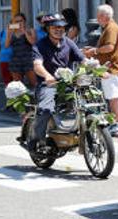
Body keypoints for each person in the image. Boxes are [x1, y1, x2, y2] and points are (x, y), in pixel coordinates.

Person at [29, 14, 86, 150]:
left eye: (61, 27)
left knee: (90, 104)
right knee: (46, 110)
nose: (59, 30)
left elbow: (83, 60)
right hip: (49, 85)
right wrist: (47, 76)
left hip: (69, 84)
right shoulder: (40, 45)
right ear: (48, 28)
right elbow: (37, 65)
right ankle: (36, 139)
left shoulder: (68, 42)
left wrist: (99, 69)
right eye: (55, 27)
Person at [84, 5, 118, 136]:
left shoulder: (111, 28)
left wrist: (95, 51)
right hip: (110, 68)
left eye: (99, 16)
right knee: (112, 97)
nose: (97, 19)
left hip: (113, 68)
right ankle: (115, 121)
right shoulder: (109, 28)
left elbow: (109, 47)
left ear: (105, 16)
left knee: (115, 97)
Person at [6, 13, 38, 87]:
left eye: (20, 20)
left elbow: (33, 42)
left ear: (25, 21)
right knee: (18, 87)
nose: (19, 23)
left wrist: (24, 31)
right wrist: (8, 33)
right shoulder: (12, 32)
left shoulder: (31, 30)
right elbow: (7, 46)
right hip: (16, 61)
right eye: (16, 21)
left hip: (28, 60)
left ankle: (38, 98)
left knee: (35, 84)